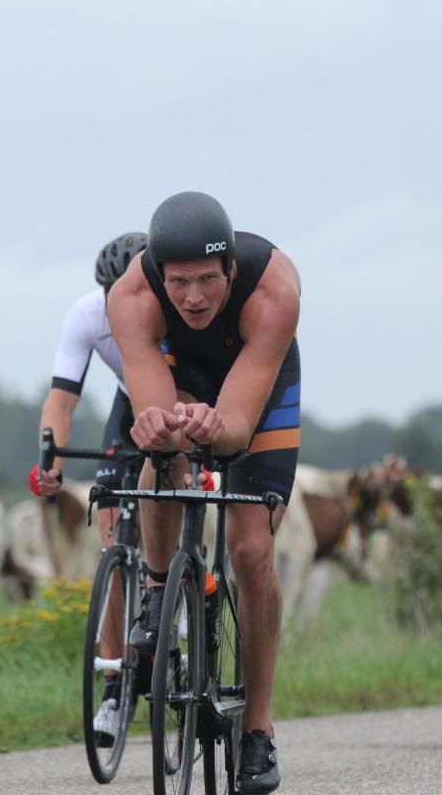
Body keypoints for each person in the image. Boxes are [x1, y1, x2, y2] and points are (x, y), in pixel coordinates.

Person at [107, 191, 300, 794]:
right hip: (181, 373)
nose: (194, 298)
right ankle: (160, 591)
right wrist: (157, 424)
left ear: (232, 272)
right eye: (181, 283)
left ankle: (258, 732)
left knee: (249, 551)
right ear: (160, 276)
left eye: (209, 281)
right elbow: (151, 405)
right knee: (162, 455)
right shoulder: (131, 299)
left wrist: (222, 427)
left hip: (257, 389)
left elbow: (238, 429)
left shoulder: (274, 290)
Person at [34, 230, 147, 745]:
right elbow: (62, 400)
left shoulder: (171, 310)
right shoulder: (86, 314)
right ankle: (113, 687)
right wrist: (50, 458)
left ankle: (183, 595)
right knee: (112, 538)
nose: (121, 306)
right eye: (112, 297)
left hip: (181, 397)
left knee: (178, 490)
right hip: (130, 408)